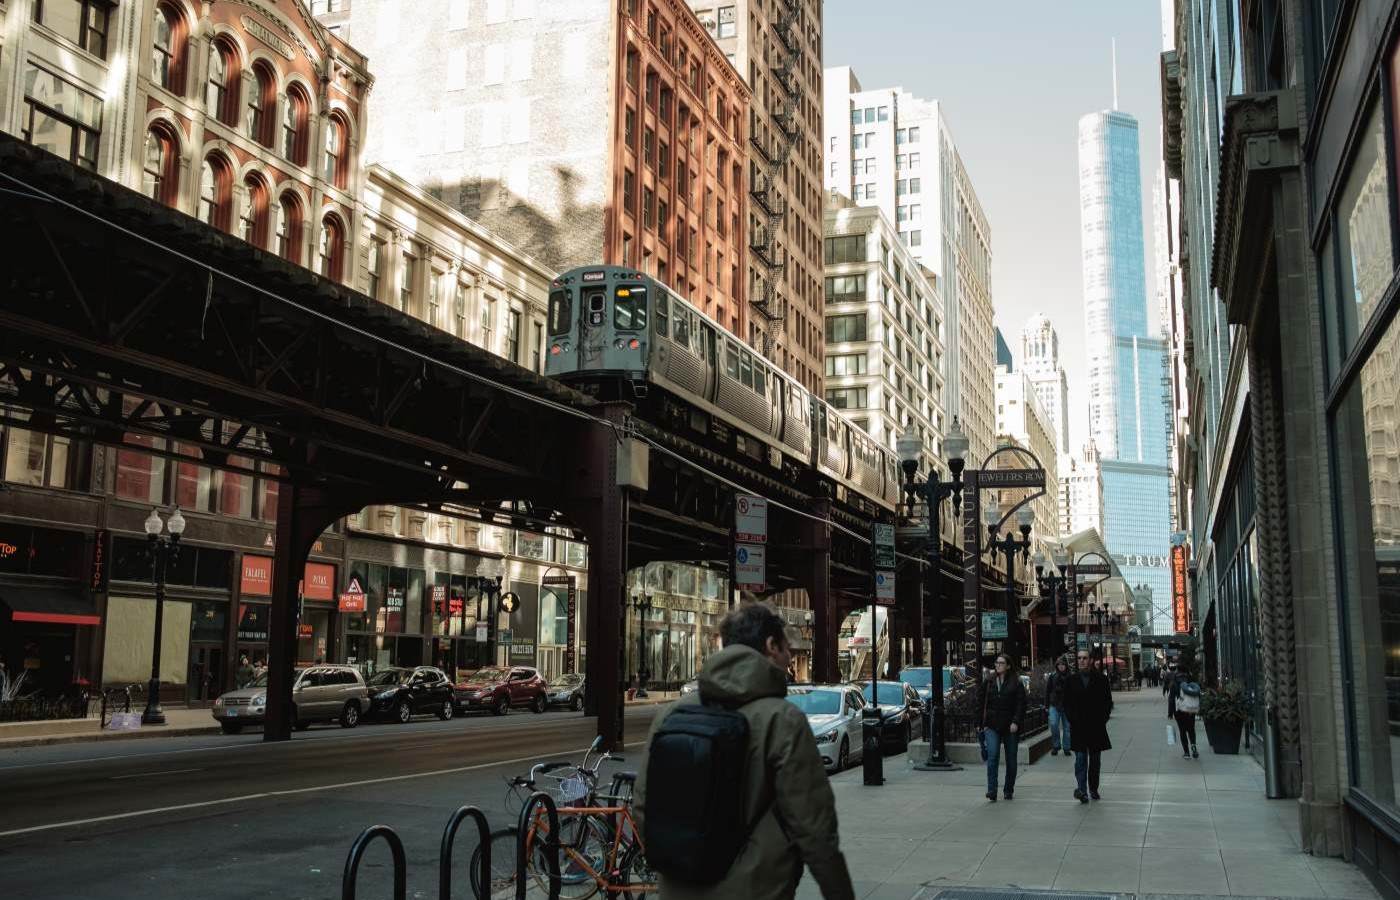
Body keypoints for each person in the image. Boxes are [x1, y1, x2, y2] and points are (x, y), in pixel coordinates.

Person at [634, 603, 855, 900]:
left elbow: (643, 804)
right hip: (757, 890)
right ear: (770, 646)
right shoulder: (783, 720)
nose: (790, 658)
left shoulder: (671, 714)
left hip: (679, 888)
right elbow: (815, 829)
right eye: (786, 649)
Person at [1064, 649, 1113, 802]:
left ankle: (1093, 788)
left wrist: (1102, 719)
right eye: (1079, 658)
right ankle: (1082, 789)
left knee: (1095, 761)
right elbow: (1067, 704)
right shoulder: (1071, 680)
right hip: (1078, 726)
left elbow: (1107, 702)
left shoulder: (1101, 679)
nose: (1082, 661)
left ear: (1090, 660)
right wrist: (1072, 720)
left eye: (1085, 658)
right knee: (1080, 759)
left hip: (1096, 726)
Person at [978, 653, 1026, 802]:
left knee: (1011, 760)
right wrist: (980, 724)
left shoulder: (1016, 683)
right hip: (992, 725)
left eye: (1001, 663)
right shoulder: (989, 681)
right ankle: (992, 790)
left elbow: (1021, 704)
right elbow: (980, 702)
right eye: (997, 662)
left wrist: (1016, 722)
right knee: (992, 757)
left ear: (1008, 666)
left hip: (1010, 726)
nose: (998, 665)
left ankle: (1008, 789)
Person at [1168, 666, 1200, 759]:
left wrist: (1170, 712)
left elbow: (1171, 699)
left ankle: (1186, 752)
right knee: (1191, 729)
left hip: (1180, 710)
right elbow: (1197, 695)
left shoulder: (1174, 683)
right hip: (1191, 710)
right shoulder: (1191, 681)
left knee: (1182, 731)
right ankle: (1193, 746)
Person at [1046, 657, 1072, 756]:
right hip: (1054, 704)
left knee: (1067, 728)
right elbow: (1047, 691)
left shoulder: (1070, 677)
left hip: (1066, 705)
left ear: (1066, 666)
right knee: (1053, 725)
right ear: (1057, 666)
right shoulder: (1053, 676)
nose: (1061, 666)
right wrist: (1046, 705)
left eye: (1063, 664)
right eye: (1059, 664)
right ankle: (1056, 746)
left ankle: (1066, 747)